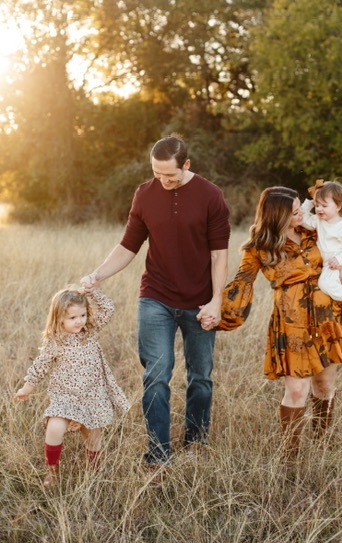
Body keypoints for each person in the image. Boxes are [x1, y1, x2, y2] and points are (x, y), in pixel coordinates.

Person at [81, 135, 230, 466]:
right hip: (156, 297)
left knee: (201, 377)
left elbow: (219, 255)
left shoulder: (211, 196)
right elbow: (128, 245)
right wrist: (98, 275)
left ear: (186, 165)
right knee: (156, 374)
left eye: (170, 175)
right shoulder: (145, 194)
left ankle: (196, 443)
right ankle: (158, 453)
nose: (163, 180)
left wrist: (216, 301)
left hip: (200, 301)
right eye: (156, 173)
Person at [218, 186, 342, 464]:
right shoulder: (259, 247)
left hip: (328, 318)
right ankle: (290, 459)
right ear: (278, 216)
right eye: (296, 212)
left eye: (301, 209)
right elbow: (241, 283)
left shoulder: (315, 229)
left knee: (324, 385)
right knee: (296, 390)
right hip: (292, 323)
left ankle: (321, 443)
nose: (304, 214)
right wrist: (217, 311)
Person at [15, 286, 130, 487]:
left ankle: (94, 472)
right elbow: (40, 366)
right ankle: (52, 471)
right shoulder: (55, 341)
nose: (79, 321)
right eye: (72, 317)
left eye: (83, 315)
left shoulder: (89, 332)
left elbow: (108, 309)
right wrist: (26, 388)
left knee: (93, 437)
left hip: (92, 396)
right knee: (54, 428)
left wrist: (92, 292)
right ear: (59, 318)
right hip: (65, 397)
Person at [301, 179, 342, 319]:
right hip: (326, 262)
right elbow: (302, 219)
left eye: (324, 205)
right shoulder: (318, 220)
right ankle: (341, 302)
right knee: (326, 285)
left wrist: (340, 259)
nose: (319, 209)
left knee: (325, 284)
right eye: (317, 205)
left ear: (338, 206)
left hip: (336, 262)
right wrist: (310, 201)